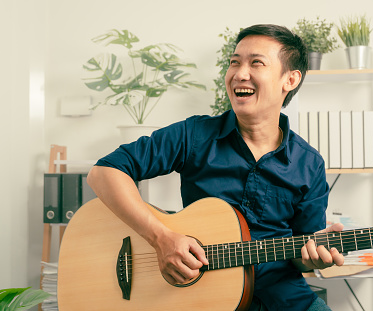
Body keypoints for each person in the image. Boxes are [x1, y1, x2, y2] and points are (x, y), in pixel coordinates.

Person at [87, 24, 345, 311]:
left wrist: (313, 256)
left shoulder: (309, 163)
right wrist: (160, 238)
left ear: (290, 79)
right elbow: (104, 172)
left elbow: (303, 250)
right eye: (234, 62)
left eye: (256, 63)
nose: (239, 73)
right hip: (200, 297)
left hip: (283, 299)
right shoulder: (193, 135)